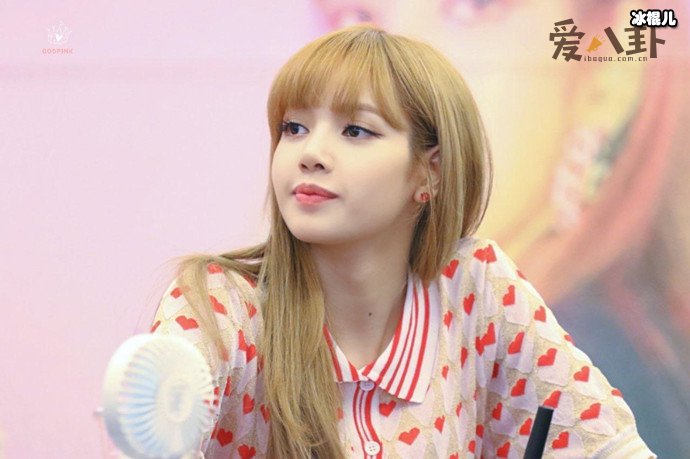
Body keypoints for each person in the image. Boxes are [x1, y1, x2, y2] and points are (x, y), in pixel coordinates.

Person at [149, 24, 655, 458]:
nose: (310, 153)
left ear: (429, 171)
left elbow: (613, 447)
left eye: (355, 131)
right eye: (294, 127)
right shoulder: (218, 303)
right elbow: (152, 429)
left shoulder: (475, 286)